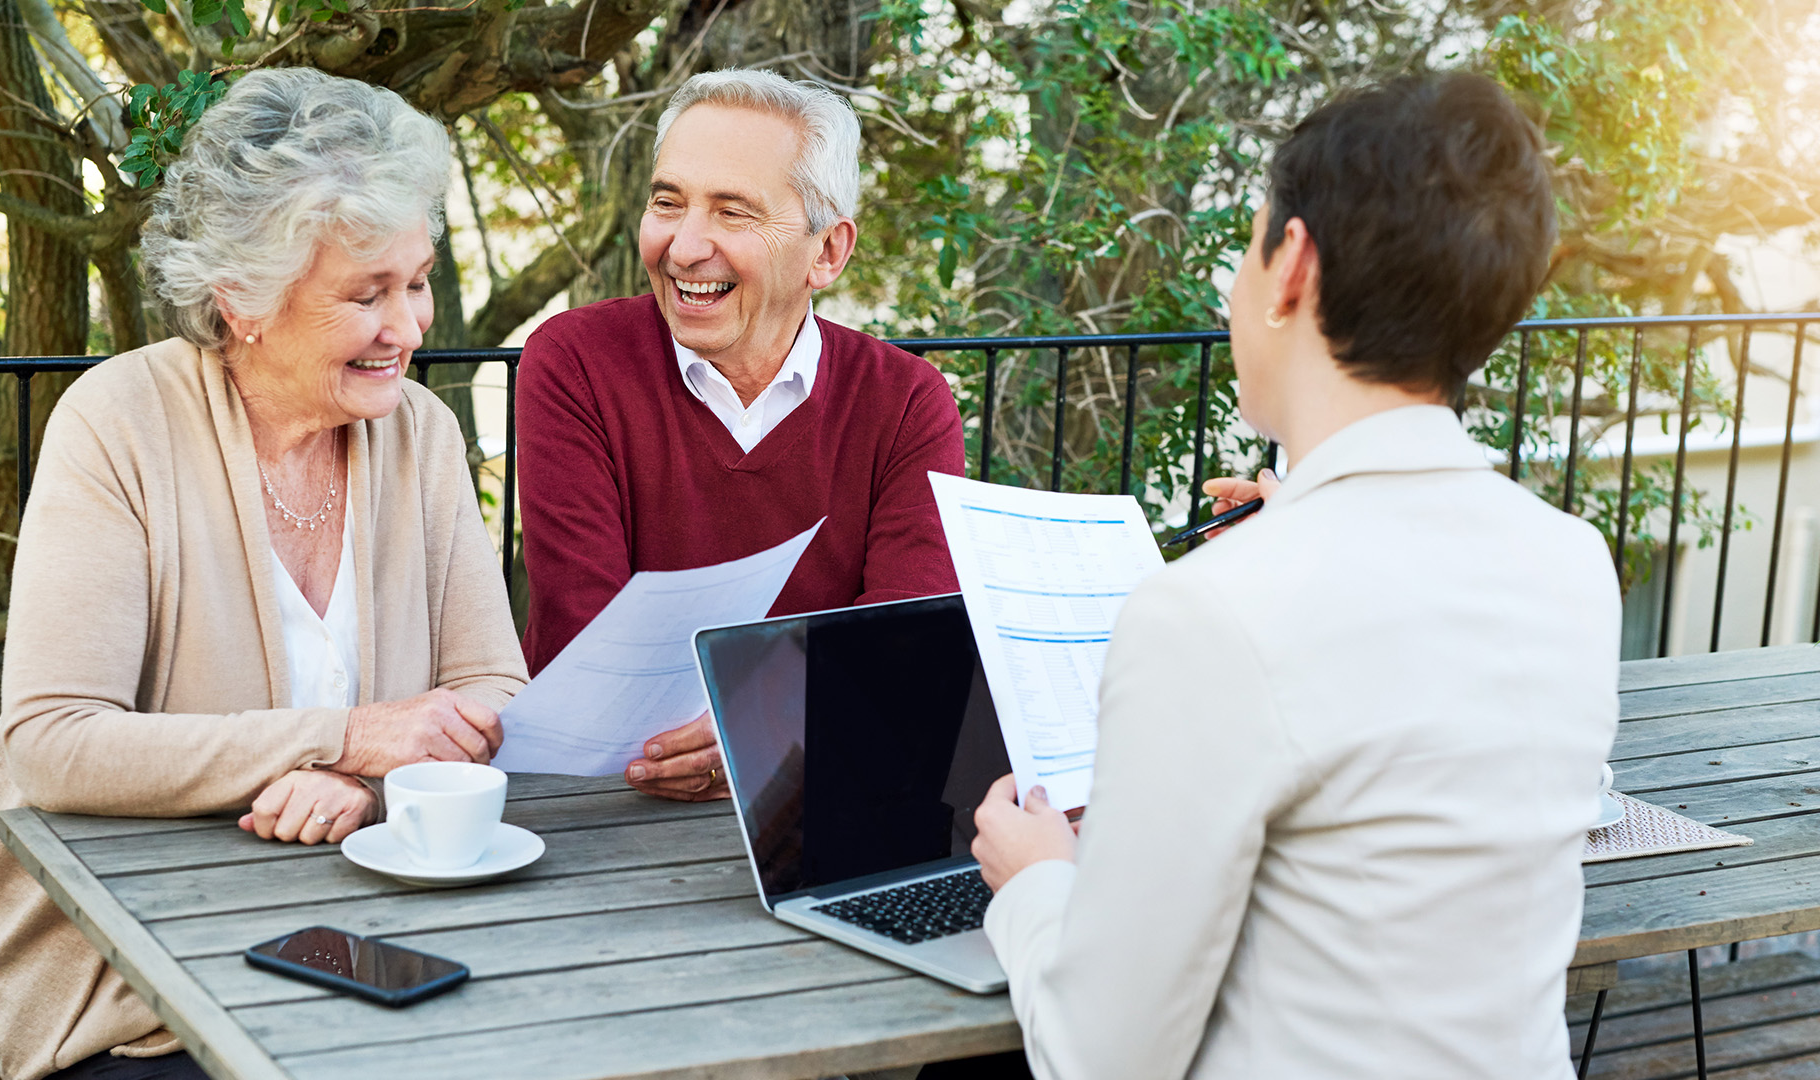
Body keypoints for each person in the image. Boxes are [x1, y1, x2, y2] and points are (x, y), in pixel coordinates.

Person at [969, 73, 1621, 1079]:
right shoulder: (1572, 561)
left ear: (1292, 267)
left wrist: (1038, 883)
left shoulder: (1211, 614)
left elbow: (1101, 1060)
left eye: (1249, 242)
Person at [0, 69, 526, 1080]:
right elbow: (57, 744)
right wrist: (346, 738)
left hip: (350, 926)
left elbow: (491, 688)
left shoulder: (424, 435)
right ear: (242, 299)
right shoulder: (116, 424)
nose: (410, 327)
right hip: (110, 963)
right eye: (366, 295)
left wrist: (362, 788)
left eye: (416, 281)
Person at [515, 69, 964, 802]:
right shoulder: (576, 361)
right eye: (669, 202)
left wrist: (760, 737)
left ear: (827, 252)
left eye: (733, 213)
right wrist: (784, 715)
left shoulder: (906, 401)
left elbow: (903, 641)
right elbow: (584, 637)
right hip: (607, 791)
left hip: (822, 792)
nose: (686, 246)